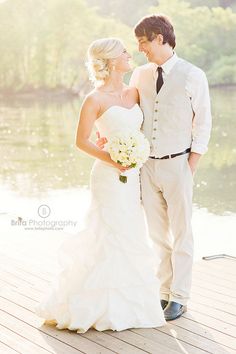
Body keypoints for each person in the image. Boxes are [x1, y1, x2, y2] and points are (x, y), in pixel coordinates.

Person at [36, 37, 166, 333]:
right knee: (109, 232)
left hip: (131, 174)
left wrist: (134, 154)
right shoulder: (93, 99)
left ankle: (131, 303)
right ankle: (97, 305)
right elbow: (81, 141)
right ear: (110, 61)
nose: (128, 53)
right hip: (108, 175)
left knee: (131, 232)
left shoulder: (134, 91)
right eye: (122, 51)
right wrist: (111, 157)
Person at [97, 15, 212, 321]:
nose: (140, 49)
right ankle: (164, 292)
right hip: (146, 167)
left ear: (160, 38)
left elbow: (203, 125)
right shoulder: (140, 75)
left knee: (182, 233)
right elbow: (128, 111)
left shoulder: (193, 75)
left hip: (179, 163)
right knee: (158, 235)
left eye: (144, 42)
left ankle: (180, 296)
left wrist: (190, 166)